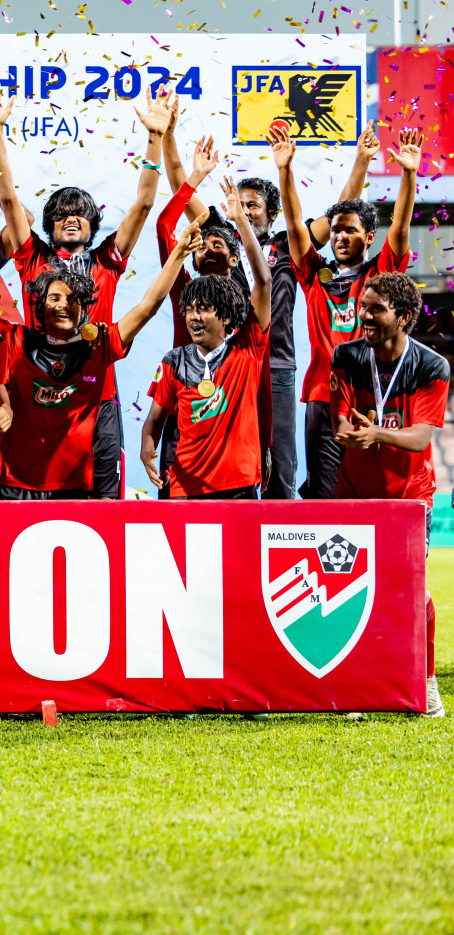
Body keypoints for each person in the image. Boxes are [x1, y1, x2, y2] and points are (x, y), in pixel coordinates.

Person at [166, 105, 382, 498]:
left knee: (281, 461)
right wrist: (167, 138)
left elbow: (342, 212)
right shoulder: (223, 240)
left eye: (253, 207)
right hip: (227, 364)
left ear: (271, 213)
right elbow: (180, 193)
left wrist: (362, 162)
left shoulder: (287, 246)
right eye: (240, 205)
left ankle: (277, 539)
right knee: (228, 456)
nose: (244, 212)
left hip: (277, 364)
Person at [0, 89, 175, 498]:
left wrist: (155, 139)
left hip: (99, 397)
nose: (72, 219)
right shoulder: (32, 259)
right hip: (38, 395)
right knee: (34, 497)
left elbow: (145, 203)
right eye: (61, 214)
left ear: (93, 224)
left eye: (80, 213)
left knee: (103, 501)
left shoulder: (106, 262)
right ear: (49, 224)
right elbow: (9, 200)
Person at [274, 123, 420, 500]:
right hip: (322, 399)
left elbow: (400, 228)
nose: (339, 236)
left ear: (369, 237)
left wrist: (408, 174)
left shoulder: (381, 275)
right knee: (324, 497)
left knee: (368, 495)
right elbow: (294, 226)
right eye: (336, 230)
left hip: (372, 400)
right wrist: (285, 171)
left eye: (350, 230)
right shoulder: (313, 274)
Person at [328, 271, 448, 717]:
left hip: (408, 497)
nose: (365, 316)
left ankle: (426, 680)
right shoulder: (347, 356)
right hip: (354, 493)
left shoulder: (432, 366)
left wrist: (374, 433)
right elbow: (340, 423)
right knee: (344, 589)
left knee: (413, 591)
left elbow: (419, 439)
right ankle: (352, 685)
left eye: (376, 308)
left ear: (403, 316)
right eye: (363, 306)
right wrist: (352, 434)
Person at [0, 225, 191, 498]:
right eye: (55, 298)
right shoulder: (12, 339)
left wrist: (178, 254)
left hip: (73, 487)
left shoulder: (99, 346)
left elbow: (148, 307)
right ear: (39, 307)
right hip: (15, 485)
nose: (64, 304)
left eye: (74, 300)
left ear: (84, 311)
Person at [140, 220, 274, 499]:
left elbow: (264, 281)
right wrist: (146, 448)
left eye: (203, 310)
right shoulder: (173, 362)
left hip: (237, 484)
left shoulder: (247, 349)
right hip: (184, 487)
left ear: (225, 317)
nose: (193, 317)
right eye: (189, 310)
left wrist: (240, 220)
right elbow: (154, 420)